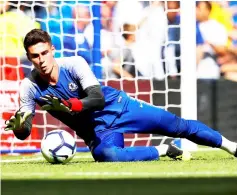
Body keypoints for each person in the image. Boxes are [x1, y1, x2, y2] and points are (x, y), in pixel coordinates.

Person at [4, 29, 237, 162]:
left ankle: (231, 146)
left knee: (178, 125)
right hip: (99, 131)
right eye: (35, 56)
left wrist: (71, 106)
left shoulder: (73, 64)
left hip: (120, 107)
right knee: (107, 156)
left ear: (53, 50)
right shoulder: (29, 87)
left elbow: (97, 99)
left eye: (45, 53)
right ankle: (165, 150)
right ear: (28, 57)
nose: (41, 60)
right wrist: (20, 127)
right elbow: (23, 134)